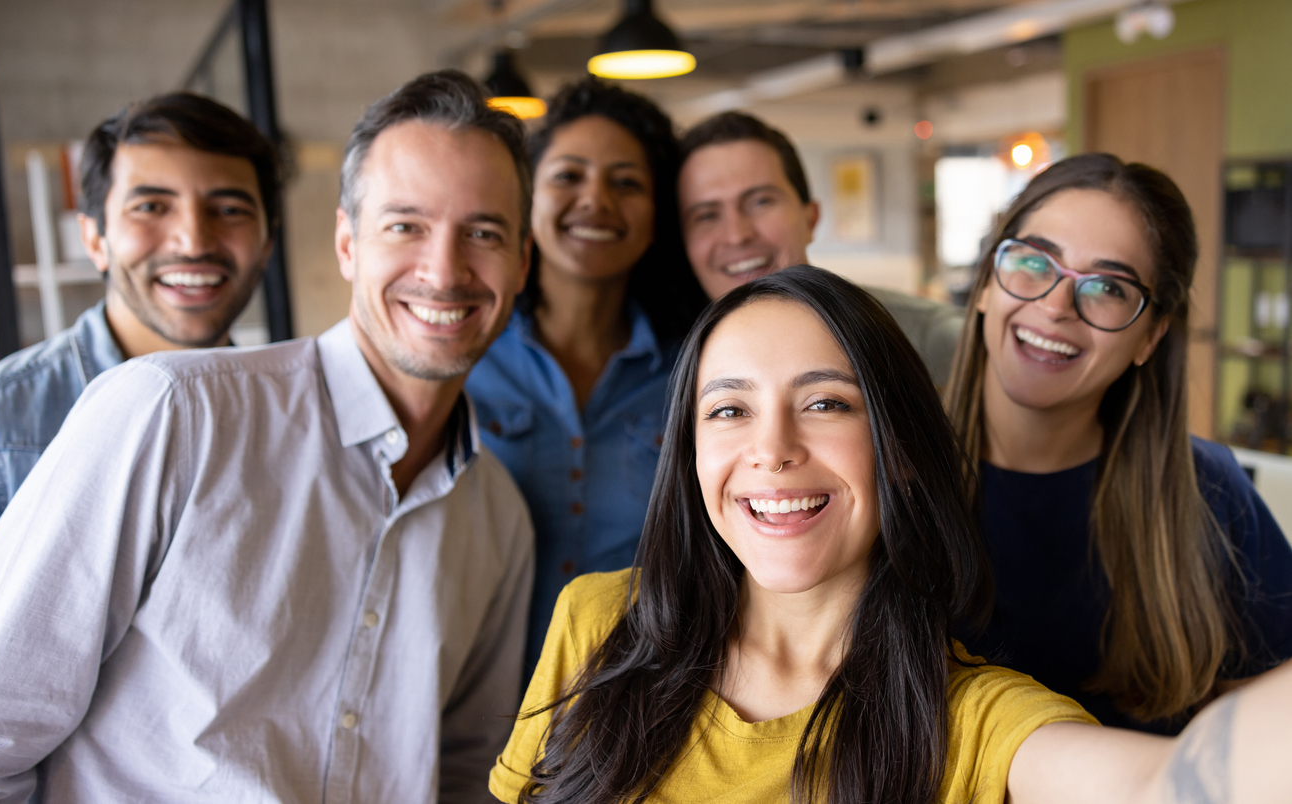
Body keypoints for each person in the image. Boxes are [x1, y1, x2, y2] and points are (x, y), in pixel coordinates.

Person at [491, 266, 1292, 804]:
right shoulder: (597, 623)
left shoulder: (973, 718)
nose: (771, 449)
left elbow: (1165, 787)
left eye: (826, 403)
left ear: (899, 450)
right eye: (729, 410)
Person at [0, 71, 534, 803]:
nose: (442, 271)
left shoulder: (498, 516)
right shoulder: (170, 414)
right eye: (405, 225)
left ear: (523, 261)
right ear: (347, 243)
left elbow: (468, 774)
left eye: (483, 232)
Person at [945, 154, 1292, 734]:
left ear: (1150, 336)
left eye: (1106, 286)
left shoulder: (1207, 490)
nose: (1055, 307)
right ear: (985, 283)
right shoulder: (881, 463)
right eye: (1033, 261)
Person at [466, 76, 706, 671]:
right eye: (568, 176)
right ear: (526, 200)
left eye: (626, 183)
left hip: (643, 709)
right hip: (480, 709)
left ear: (658, 216)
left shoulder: (698, 373)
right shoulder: (465, 360)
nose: (596, 200)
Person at [0, 92, 279, 529]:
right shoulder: (2, 427)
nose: (194, 241)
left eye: (228, 209)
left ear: (267, 243)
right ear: (94, 240)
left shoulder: (289, 417)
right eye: (151, 207)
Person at [677, 110, 962, 386]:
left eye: (761, 202)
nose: (737, 235)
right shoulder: (666, 368)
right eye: (706, 215)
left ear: (811, 218)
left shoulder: (928, 339)